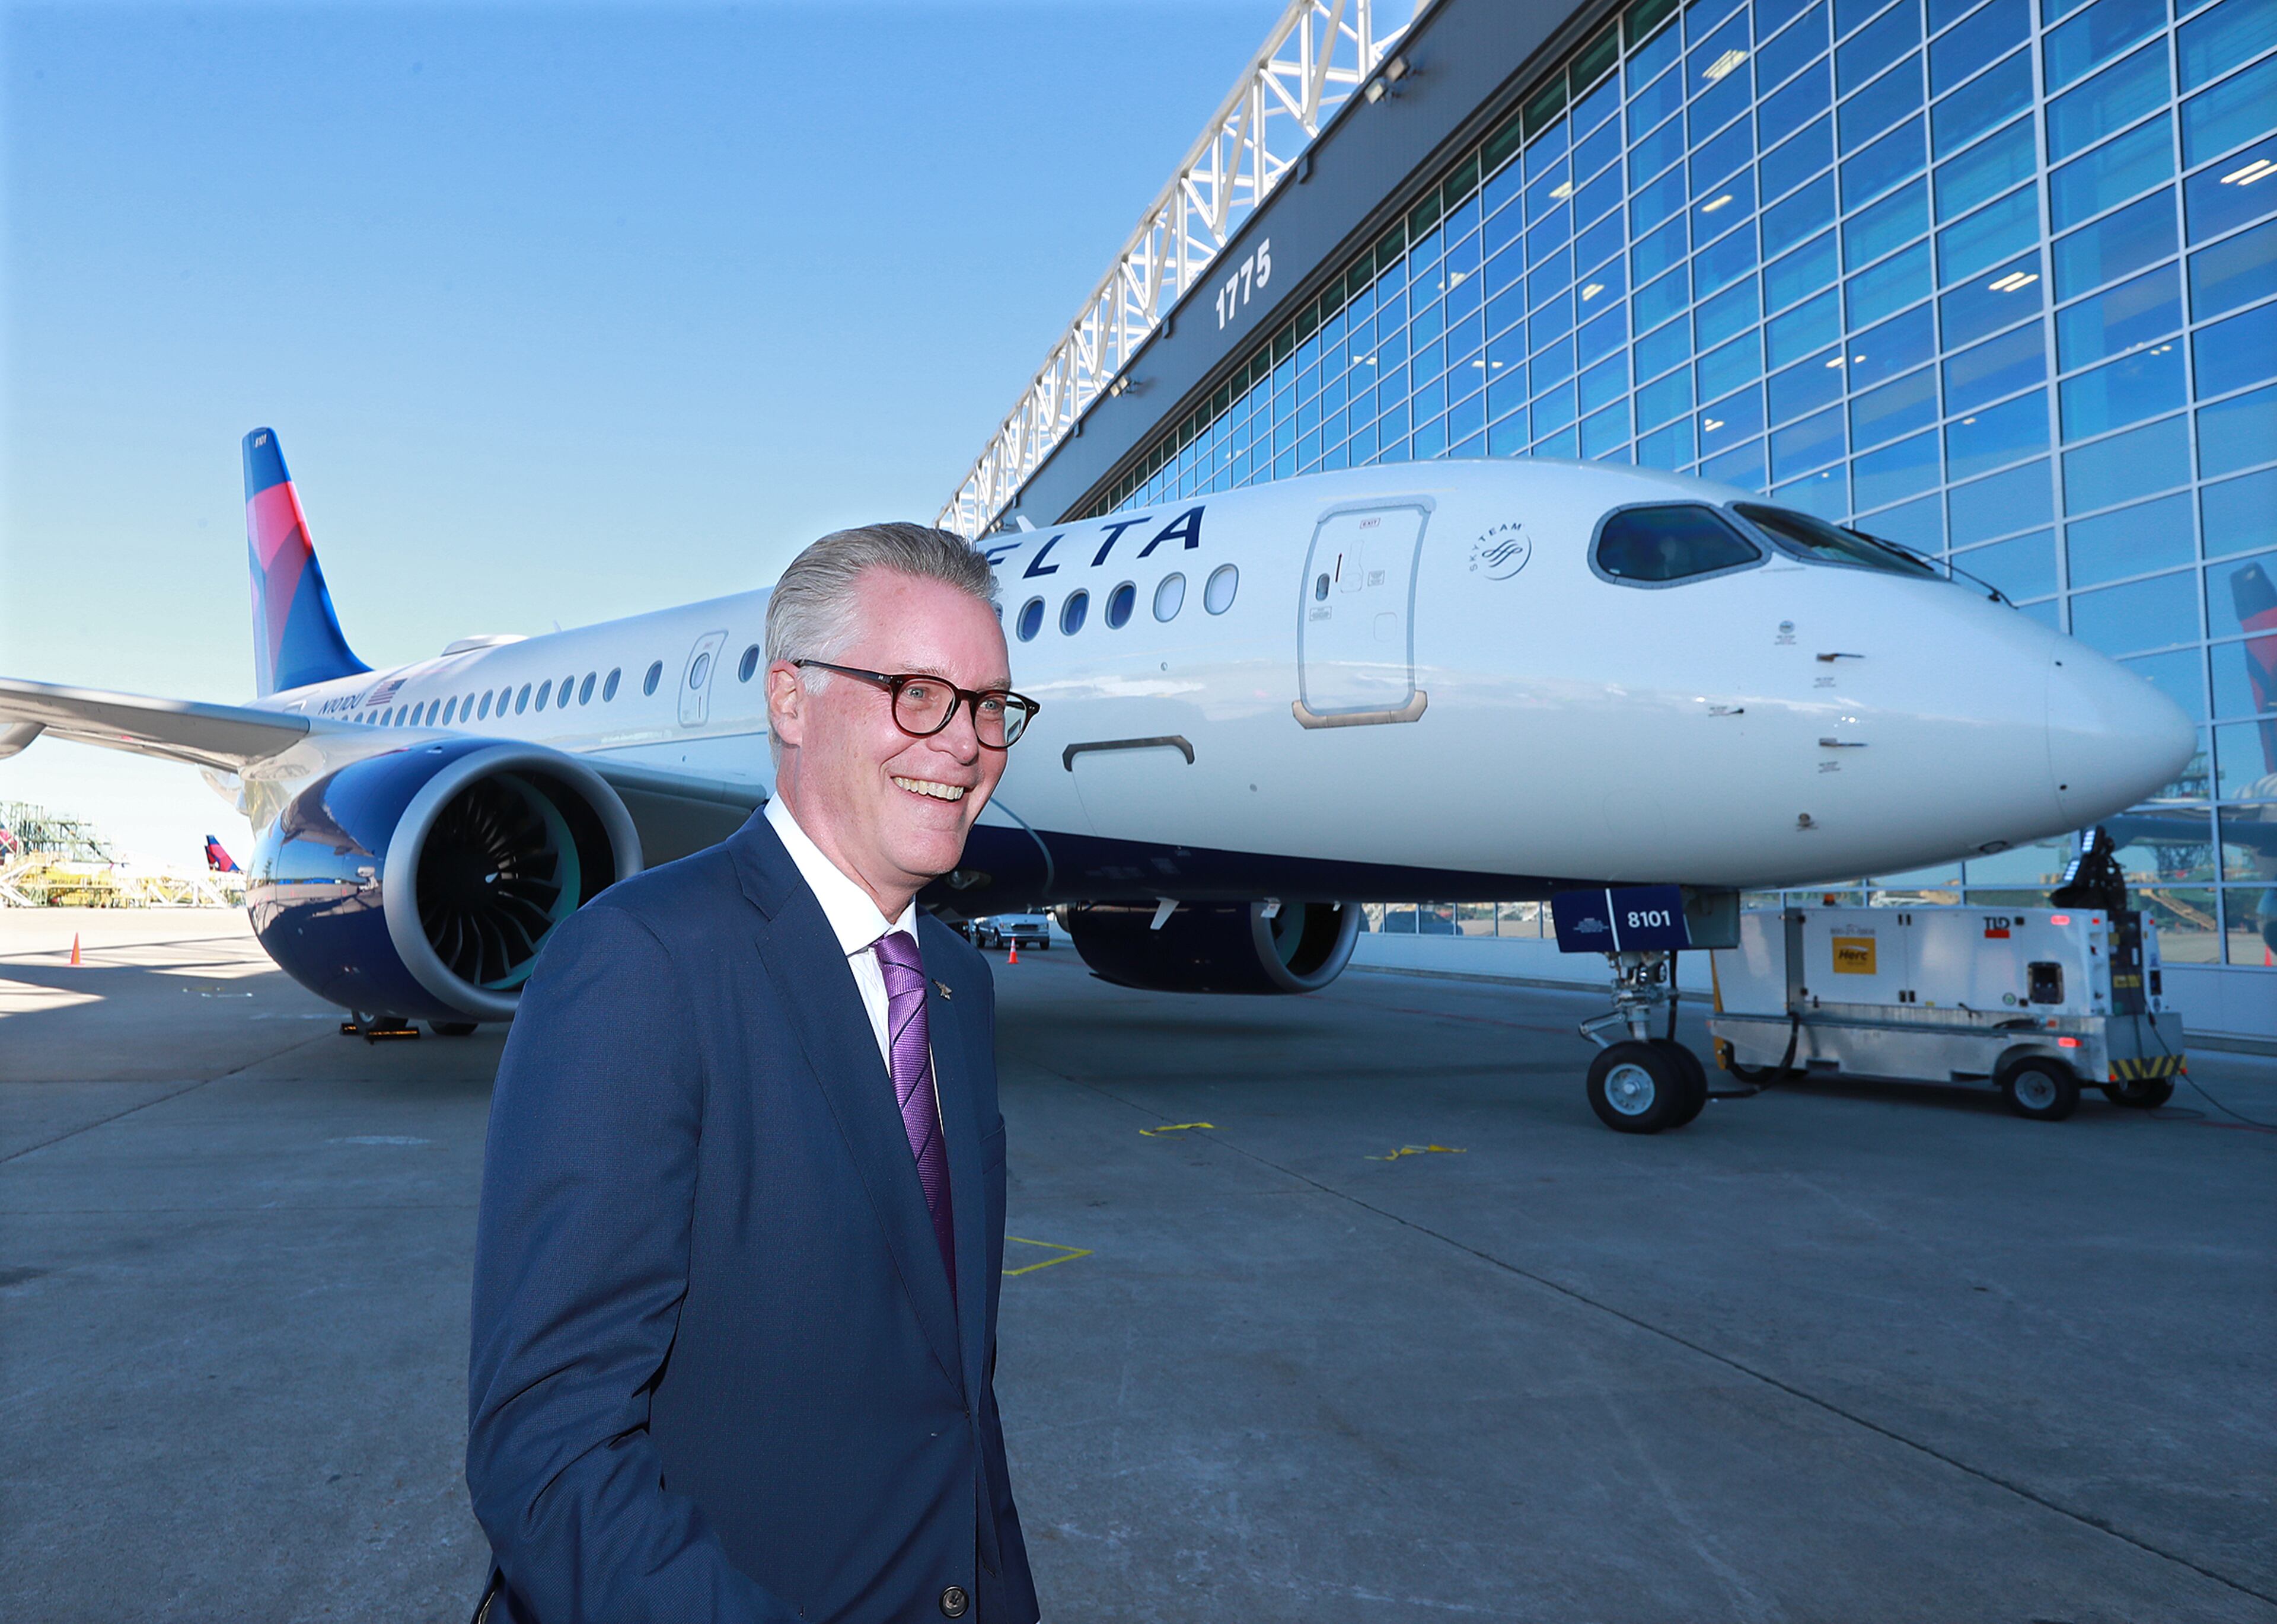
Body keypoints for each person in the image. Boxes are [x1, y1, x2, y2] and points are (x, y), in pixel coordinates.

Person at [465, 524, 1044, 1624]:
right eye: (917, 693)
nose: (965, 743)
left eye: (987, 706)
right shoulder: (640, 963)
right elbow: (548, 1454)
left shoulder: (956, 987)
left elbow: (956, 1396)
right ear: (790, 700)